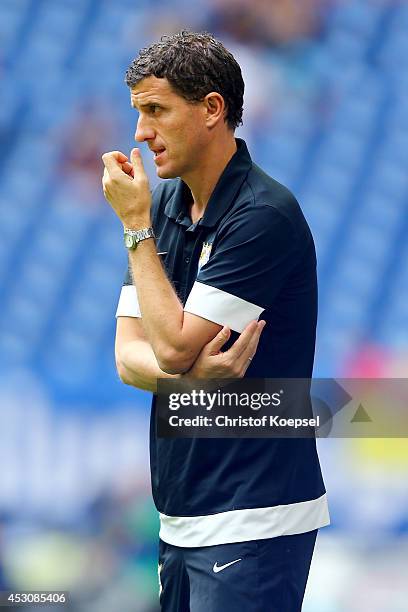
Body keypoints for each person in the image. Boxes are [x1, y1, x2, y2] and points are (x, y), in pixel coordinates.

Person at [102, 31, 329, 612]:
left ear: (211, 110)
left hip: (255, 514)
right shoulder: (166, 209)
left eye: (155, 110)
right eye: (138, 113)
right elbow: (127, 357)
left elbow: (172, 348)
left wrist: (134, 227)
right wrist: (191, 380)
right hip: (180, 513)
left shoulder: (262, 214)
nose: (140, 133)